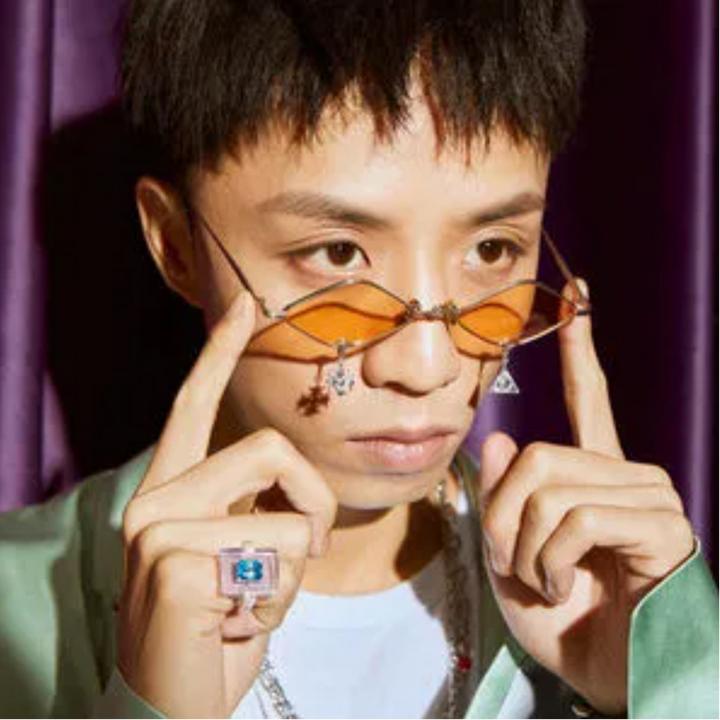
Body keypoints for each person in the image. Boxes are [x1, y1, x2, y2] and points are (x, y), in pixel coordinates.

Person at [0, 1, 717, 718]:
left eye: (492, 249)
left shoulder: (611, 600)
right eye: (339, 255)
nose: (429, 365)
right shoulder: (16, 613)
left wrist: (664, 687)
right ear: (175, 244)